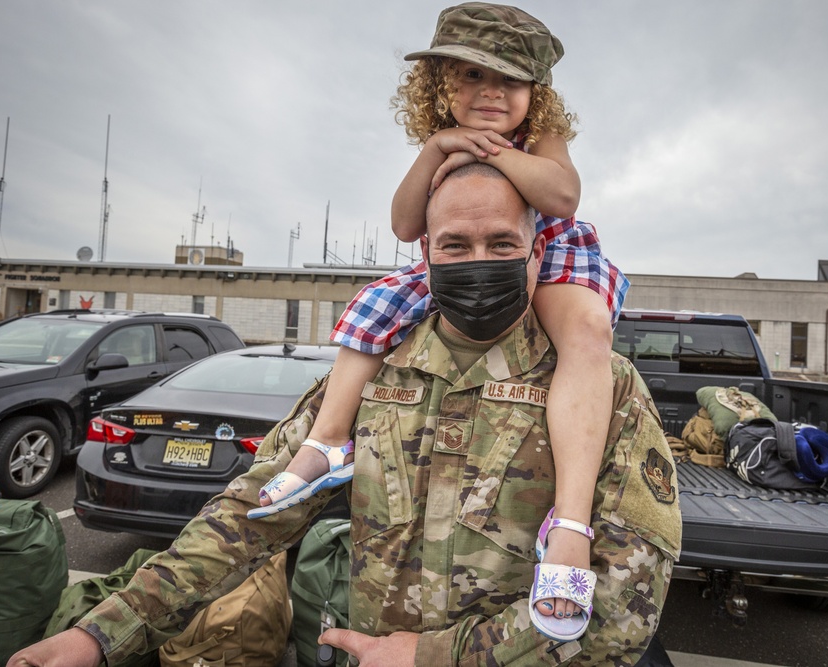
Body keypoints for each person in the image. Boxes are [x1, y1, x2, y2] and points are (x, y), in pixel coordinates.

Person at [8, 164, 680, 667]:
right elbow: (251, 517)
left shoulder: (599, 393)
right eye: (456, 244)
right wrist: (102, 631)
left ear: (538, 254)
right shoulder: (370, 379)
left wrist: (429, 656)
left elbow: (621, 609)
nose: (479, 262)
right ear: (425, 257)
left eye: (502, 242)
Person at [254, 2, 629, 629]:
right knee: (374, 309)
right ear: (440, 85)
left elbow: (562, 196)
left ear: (534, 92)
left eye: (509, 80)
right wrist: (436, 149)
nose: (490, 93)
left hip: (546, 254)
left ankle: (568, 521)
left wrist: (495, 154)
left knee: (587, 334)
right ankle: (326, 442)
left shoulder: (539, 137)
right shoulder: (441, 140)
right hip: (460, 252)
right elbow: (406, 225)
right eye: (472, 76)